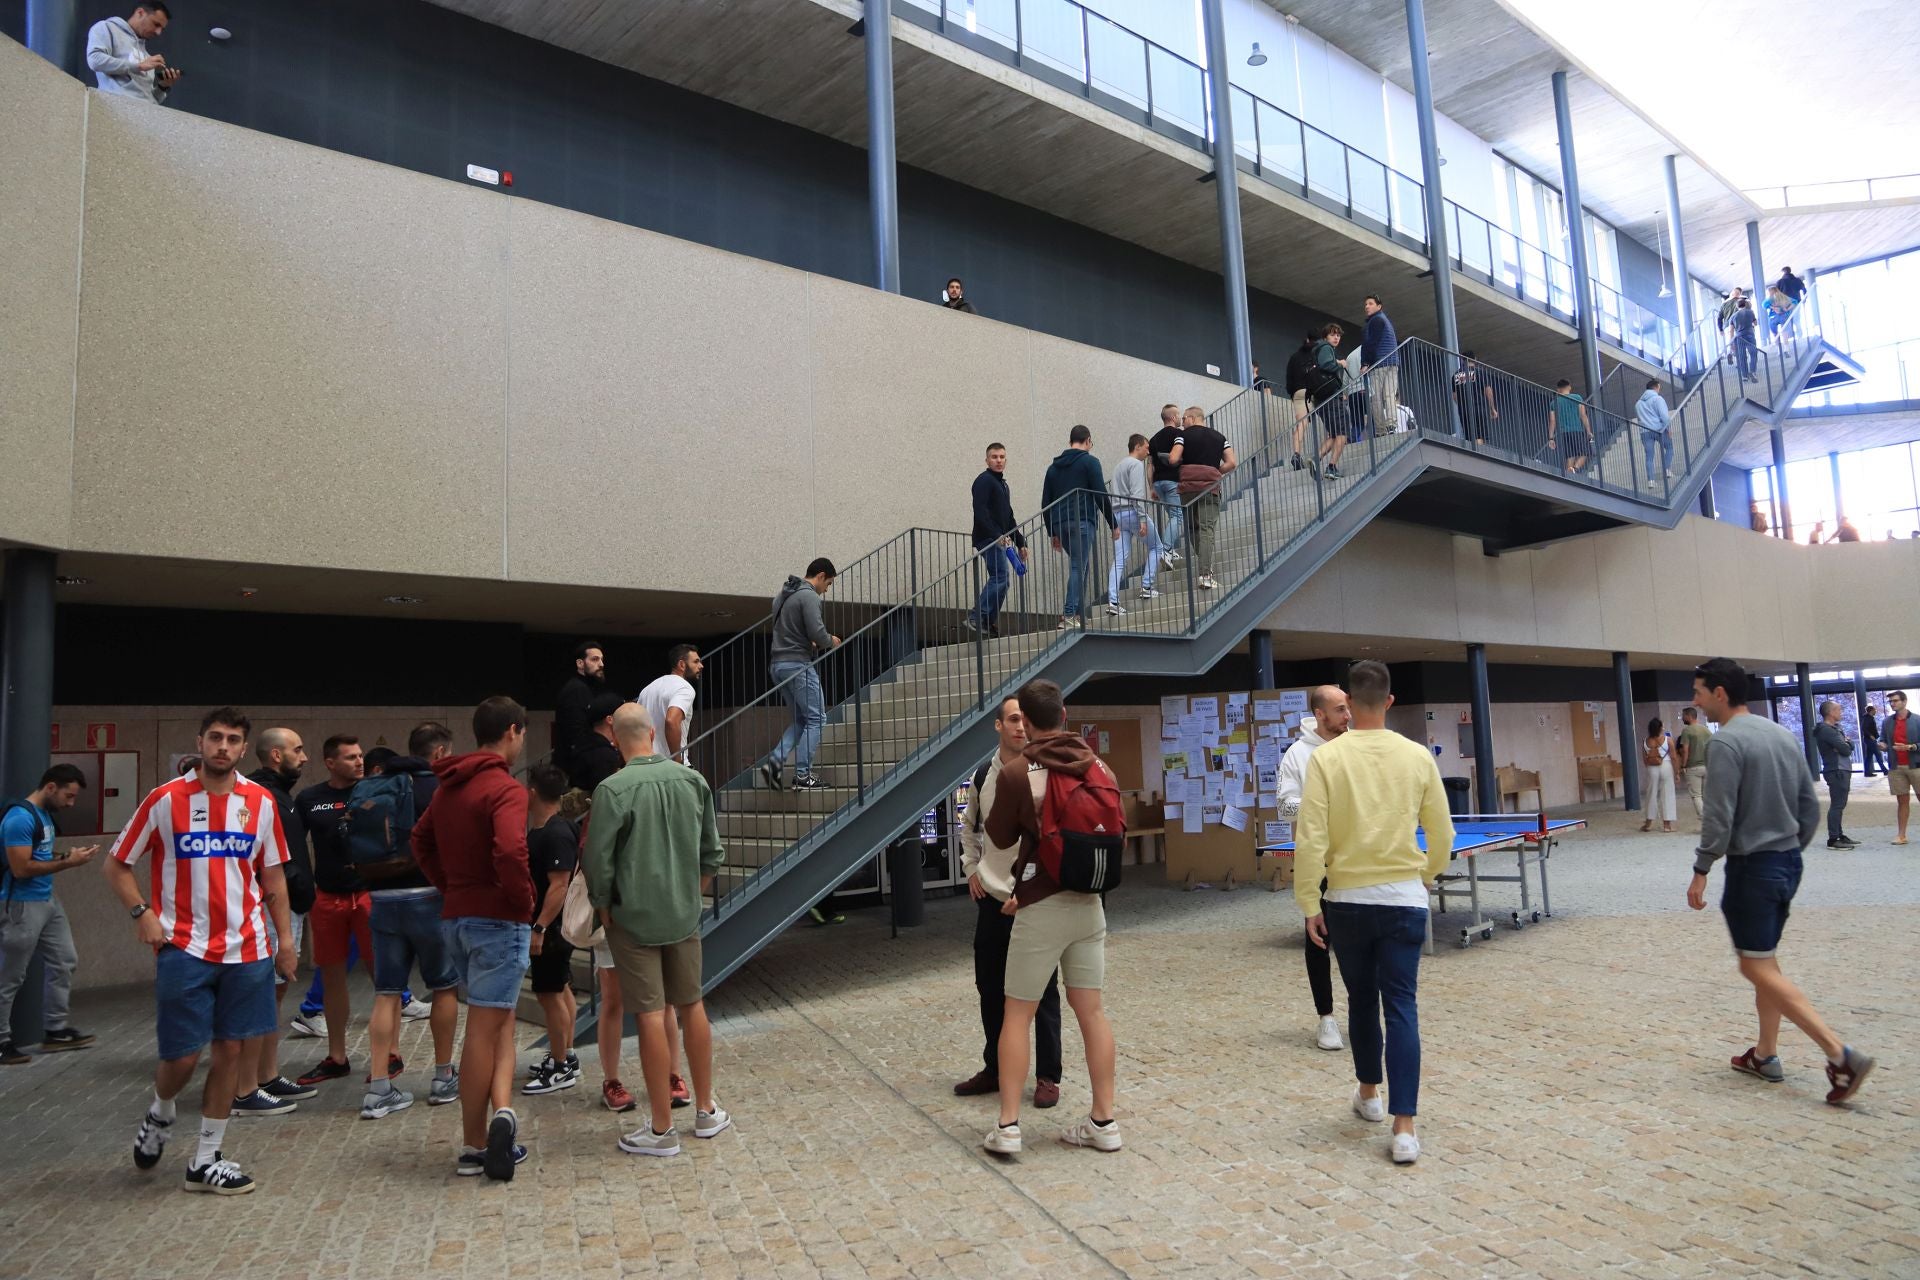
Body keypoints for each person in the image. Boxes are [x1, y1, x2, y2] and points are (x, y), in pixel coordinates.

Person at [107, 707, 297, 1196]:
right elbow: (117, 864)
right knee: (182, 1058)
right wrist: (141, 914)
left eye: (233, 740)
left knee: (231, 1051)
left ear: (242, 747)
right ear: (200, 741)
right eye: (216, 737)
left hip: (248, 948)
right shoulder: (165, 800)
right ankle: (161, 1109)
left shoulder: (260, 802)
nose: (223, 747)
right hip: (184, 947)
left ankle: (206, 1159)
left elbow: (273, 876)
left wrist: (287, 942)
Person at [1686, 658, 1874, 1104]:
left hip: (1754, 868)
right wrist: (1790, 848)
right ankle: (1765, 1054)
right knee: (1765, 962)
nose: (1693, 700)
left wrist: (1701, 869)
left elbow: (1718, 817)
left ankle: (1839, 1054)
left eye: (1697, 691)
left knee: (1753, 965)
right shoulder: (1780, 734)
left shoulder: (1726, 743)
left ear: (1719, 693)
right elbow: (1809, 803)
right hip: (1787, 861)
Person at [1293, 661, 1453, 1165]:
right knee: (1401, 1005)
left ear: (1349, 703)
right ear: (1388, 701)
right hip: (1404, 897)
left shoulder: (1326, 759)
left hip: (1347, 901)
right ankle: (1404, 1128)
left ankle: (1369, 1094)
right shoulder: (1416, 756)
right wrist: (1427, 872)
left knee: (1361, 1001)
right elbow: (1442, 831)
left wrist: (1307, 902)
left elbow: (1311, 836)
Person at [980, 679, 1121, 1156]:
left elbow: (997, 838)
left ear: (1030, 722)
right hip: (1091, 903)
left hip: (1041, 904)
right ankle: (1104, 1120)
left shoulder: (1020, 772)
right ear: (1064, 714)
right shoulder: (1099, 765)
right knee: (1092, 1012)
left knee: (1016, 1014)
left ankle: (1008, 1127)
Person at [584, 704, 731, 1157]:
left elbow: (598, 861)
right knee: (691, 1005)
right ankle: (705, 1109)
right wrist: (692, 892)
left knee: (648, 1012)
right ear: (652, 732)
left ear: (615, 738)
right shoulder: (693, 781)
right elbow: (712, 853)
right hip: (683, 912)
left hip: (633, 917)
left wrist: (604, 906)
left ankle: (662, 1127)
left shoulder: (612, 789)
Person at [414, 698, 535, 1181]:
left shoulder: (449, 787)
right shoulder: (505, 788)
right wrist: (522, 899)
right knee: (485, 1029)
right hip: (497, 920)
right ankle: (474, 1144)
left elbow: (420, 841)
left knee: (498, 1020)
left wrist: (450, 886)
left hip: (458, 918)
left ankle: (502, 1115)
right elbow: (509, 849)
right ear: (512, 731)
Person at [953, 696, 1062, 1108]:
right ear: (998, 726)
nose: (1020, 726)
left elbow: (1053, 839)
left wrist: (1032, 890)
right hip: (993, 899)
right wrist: (971, 870)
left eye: (1025, 720)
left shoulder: (1045, 774)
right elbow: (969, 827)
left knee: (1044, 989)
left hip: (1033, 900)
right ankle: (996, 1068)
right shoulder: (984, 775)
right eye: (1013, 719)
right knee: (990, 987)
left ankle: (1049, 1075)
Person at [360, 722, 463, 1121]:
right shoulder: (439, 790)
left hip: (382, 898)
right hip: (429, 898)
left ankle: (379, 1088)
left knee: (387, 992)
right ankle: (442, 1077)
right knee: (444, 986)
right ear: (439, 754)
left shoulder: (380, 782)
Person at [233, 729, 316, 1114]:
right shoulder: (259, 795)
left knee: (276, 992)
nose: (305, 757)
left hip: (288, 905)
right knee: (260, 993)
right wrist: (295, 890)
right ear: (277, 756)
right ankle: (243, 1088)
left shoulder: (282, 797)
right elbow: (272, 863)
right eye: (298, 750)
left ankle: (266, 1075)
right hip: (269, 907)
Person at [291, 735, 378, 1085]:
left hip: (370, 895)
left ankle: (389, 1055)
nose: (359, 762)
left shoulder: (374, 791)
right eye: (350, 757)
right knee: (332, 979)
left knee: (382, 978)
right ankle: (337, 1056)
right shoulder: (310, 799)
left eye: (361, 756)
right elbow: (294, 846)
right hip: (327, 898)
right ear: (330, 762)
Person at [0, 765, 100, 1066]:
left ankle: (54, 1030)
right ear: (51, 787)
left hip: (47, 901)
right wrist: (68, 864)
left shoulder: (44, 816)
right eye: (68, 796)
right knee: (10, 975)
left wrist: (65, 856)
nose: (70, 803)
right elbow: (21, 868)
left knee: (65, 959)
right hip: (21, 903)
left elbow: (39, 856)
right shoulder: (19, 818)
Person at [1274, 685, 1351, 1052]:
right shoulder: (1297, 755)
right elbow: (1284, 807)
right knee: (1318, 940)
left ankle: (1364, 1011)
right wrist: (1321, 806)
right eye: (1339, 709)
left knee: (1360, 942)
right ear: (1320, 714)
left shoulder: (1358, 747)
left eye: (1347, 708)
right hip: (1318, 864)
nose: (1347, 716)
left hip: (1356, 861)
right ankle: (1326, 1018)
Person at [521, 764, 581, 1095]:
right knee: (560, 989)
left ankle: (560, 1067)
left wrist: (540, 927)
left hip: (552, 927)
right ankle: (566, 1054)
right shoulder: (544, 828)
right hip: (550, 925)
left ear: (533, 792)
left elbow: (559, 885)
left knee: (549, 994)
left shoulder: (556, 832)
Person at [758, 559, 840, 792]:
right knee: (817, 718)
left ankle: (774, 764)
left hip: (778, 665)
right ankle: (803, 774)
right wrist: (829, 641)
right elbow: (817, 630)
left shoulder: (783, 595)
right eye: (829, 584)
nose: (826, 590)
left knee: (801, 720)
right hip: (797, 665)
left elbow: (791, 631)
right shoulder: (809, 596)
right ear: (821, 575)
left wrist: (810, 642)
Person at [1040, 425, 1117, 630]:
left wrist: (1052, 532)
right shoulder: (1090, 462)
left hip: (1059, 522)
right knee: (1078, 565)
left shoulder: (1053, 468)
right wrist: (1113, 524)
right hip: (1082, 520)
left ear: (1070, 441)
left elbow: (1045, 502)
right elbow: (1100, 493)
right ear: (1088, 441)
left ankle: (1077, 615)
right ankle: (1068, 615)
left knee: (1081, 565)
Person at [966, 443, 1028, 636]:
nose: (999, 460)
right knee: (1000, 577)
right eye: (994, 457)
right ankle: (977, 616)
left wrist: (1021, 542)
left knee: (1004, 580)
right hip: (989, 538)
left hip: (1000, 539)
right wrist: (996, 535)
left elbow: (1009, 517)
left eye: (1002, 457)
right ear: (987, 460)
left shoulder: (1002, 484)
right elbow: (980, 512)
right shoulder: (984, 480)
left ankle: (987, 621)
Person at [1176, 405, 1235, 592]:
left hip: (1187, 487)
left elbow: (1174, 458)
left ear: (1193, 418)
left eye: (1184, 418)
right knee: (1206, 528)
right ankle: (1205, 573)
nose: (1183, 423)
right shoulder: (1219, 437)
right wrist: (1215, 472)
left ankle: (1205, 565)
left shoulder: (1182, 437)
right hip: (1210, 487)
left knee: (1192, 528)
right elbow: (1232, 462)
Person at [1105, 434, 1162, 615]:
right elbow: (1137, 495)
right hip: (1133, 513)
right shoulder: (1136, 465)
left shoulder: (1118, 467)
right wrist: (1143, 519)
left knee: (1120, 559)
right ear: (1137, 446)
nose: (1148, 451)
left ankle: (1113, 601)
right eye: (1146, 447)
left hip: (1117, 515)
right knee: (1157, 547)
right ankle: (1146, 586)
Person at [86, 4, 179, 104]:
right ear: (140, 13)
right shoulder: (107, 28)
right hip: (115, 109)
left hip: (146, 115)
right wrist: (138, 66)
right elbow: (95, 60)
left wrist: (163, 86)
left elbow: (150, 100)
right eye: (156, 24)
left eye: (162, 28)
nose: (158, 32)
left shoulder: (147, 58)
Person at [638, 645, 705, 765]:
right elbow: (671, 721)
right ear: (682, 665)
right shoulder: (684, 688)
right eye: (696, 662)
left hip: (648, 763)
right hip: (670, 765)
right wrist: (677, 762)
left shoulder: (647, 689)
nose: (701, 666)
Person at [554, 641, 607, 774]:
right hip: (574, 770)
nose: (601, 664)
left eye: (601, 659)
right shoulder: (577, 690)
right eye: (595, 659)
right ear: (580, 663)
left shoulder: (583, 688)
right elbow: (577, 734)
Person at [1811, 701, 1858, 850]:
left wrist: (1846, 744)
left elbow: (1850, 746)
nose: (1841, 712)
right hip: (1836, 770)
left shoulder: (1835, 728)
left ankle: (1839, 834)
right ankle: (1833, 839)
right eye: (1839, 709)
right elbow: (1845, 749)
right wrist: (1845, 744)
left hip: (1841, 769)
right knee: (1837, 804)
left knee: (1840, 804)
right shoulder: (1827, 730)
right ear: (1831, 712)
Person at [1305, 325, 1349, 477]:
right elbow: (1326, 365)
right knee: (1343, 433)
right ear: (1325, 337)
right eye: (1332, 335)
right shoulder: (1325, 348)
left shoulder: (1317, 350)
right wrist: (1340, 364)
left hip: (1321, 398)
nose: (1336, 338)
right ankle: (1331, 467)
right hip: (1332, 397)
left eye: (1338, 335)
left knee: (1334, 434)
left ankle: (1316, 458)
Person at [1147, 405, 1186, 565]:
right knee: (1178, 516)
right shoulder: (1179, 434)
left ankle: (1170, 550)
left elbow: (1150, 466)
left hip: (1158, 483)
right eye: (1178, 415)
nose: (1180, 418)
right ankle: (1166, 549)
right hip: (1172, 481)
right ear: (1172, 417)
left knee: (1172, 516)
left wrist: (1151, 487)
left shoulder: (1153, 439)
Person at [567, 692, 627, 793]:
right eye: (622, 714)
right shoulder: (604, 756)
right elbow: (608, 796)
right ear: (610, 719)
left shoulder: (584, 746)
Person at [1879, 689, 1917, 845]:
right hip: (1896, 767)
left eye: (1895, 701)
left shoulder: (1918, 720)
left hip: (1916, 766)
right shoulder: (1887, 722)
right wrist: (1882, 745)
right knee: (1902, 801)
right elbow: (1883, 739)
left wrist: (1910, 747)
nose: (1892, 704)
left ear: (1904, 701)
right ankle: (1901, 835)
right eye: (1891, 701)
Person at [1359, 294, 1400, 433]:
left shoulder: (1376, 320)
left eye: (1370, 303)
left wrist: (1365, 363)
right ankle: (1391, 425)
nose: (1367, 306)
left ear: (1379, 306)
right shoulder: (1384, 320)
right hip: (1392, 361)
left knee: (1375, 398)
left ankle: (1381, 430)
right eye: (1366, 304)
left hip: (1379, 363)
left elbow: (1371, 343)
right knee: (1389, 395)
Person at [1284, 330, 1318, 469]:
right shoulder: (1316, 354)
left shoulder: (1294, 357)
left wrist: (1292, 394)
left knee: (1301, 424)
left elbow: (1289, 378)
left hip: (1297, 393)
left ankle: (1297, 454)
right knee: (1329, 415)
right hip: (1313, 391)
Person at [1546, 379, 1593, 474]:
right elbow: (1583, 415)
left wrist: (1551, 438)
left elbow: (1552, 421)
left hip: (1563, 433)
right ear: (1569, 387)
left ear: (1558, 390)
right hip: (1577, 430)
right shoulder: (1577, 397)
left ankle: (1570, 475)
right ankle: (1574, 469)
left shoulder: (1553, 403)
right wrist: (1588, 431)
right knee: (1586, 452)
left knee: (1570, 455)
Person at [1638, 718, 1677, 833]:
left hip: (1652, 768)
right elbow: (1674, 757)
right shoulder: (1668, 740)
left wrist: (1650, 768)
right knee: (1667, 794)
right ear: (1660, 728)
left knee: (1651, 794)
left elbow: (1644, 759)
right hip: (1666, 766)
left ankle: (1648, 823)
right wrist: (1677, 772)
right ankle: (1667, 826)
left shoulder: (1645, 741)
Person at [1675, 707, 1714, 818]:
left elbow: (1685, 750)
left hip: (1693, 767)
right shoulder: (1706, 729)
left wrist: (1683, 765)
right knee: (1707, 796)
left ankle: (1705, 820)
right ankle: (1711, 818)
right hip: (1707, 766)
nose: (1682, 718)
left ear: (1689, 716)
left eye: (1683, 716)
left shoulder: (1687, 731)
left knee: (1696, 795)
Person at [1453, 350, 1498, 443]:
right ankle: (1478, 454)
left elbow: (1455, 396)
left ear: (1462, 359)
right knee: (1480, 435)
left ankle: (1473, 451)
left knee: (1469, 436)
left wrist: (1462, 405)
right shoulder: (1480, 373)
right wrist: (1492, 408)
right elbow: (1488, 391)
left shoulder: (1456, 375)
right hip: (1479, 408)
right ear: (1475, 359)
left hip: (1464, 411)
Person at [1635, 380, 1673, 483]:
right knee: (1669, 447)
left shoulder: (1638, 403)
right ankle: (1666, 469)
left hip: (1645, 432)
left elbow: (1639, 419)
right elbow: (1664, 416)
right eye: (1659, 387)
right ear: (1656, 387)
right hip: (1659, 429)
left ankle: (1651, 481)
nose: (1659, 389)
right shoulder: (1658, 399)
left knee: (1649, 457)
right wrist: (1669, 428)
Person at [1731, 297, 1759, 382]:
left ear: (1737, 306)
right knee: (1753, 353)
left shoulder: (1733, 316)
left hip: (1739, 337)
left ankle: (1744, 376)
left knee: (1742, 356)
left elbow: (1731, 330)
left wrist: (1732, 342)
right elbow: (1755, 323)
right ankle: (1753, 371)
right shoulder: (1750, 312)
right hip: (1749, 334)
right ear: (1745, 304)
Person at [1861, 704, 1884, 779]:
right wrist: (1871, 735)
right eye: (1874, 710)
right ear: (1871, 711)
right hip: (1870, 739)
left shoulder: (1869, 718)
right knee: (1878, 754)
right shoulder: (1867, 718)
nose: (1875, 711)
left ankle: (1867, 772)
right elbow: (1864, 728)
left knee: (1869, 756)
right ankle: (1885, 770)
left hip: (1870, 739)